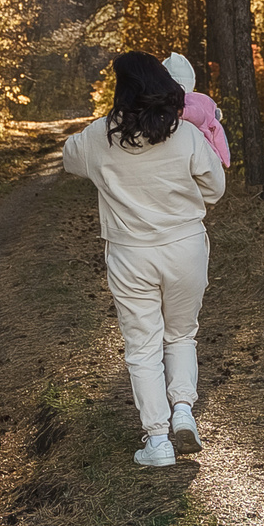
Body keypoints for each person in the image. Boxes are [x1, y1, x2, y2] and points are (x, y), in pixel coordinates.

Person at [62, 51, 226, 468]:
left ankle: (157, 440)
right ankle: (184, 410)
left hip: (131, 253)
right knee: (181, 335)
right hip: (186, 246)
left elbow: (69, 158)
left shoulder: (100, 136)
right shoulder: (185, 134)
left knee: (142, 347)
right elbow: (216, 188)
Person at [162, 51, 231, 169]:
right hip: (202, 156)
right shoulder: (201, 100)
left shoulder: (190, 100)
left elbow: (198, 115)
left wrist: (182, 112)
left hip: (198, 154)